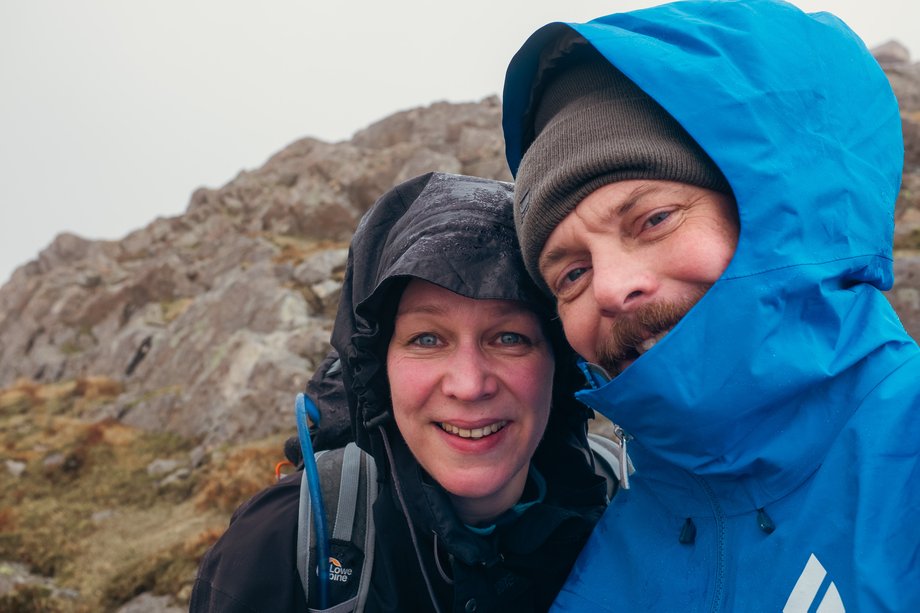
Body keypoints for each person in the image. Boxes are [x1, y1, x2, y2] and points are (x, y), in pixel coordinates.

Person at [500, 0, 920, 611]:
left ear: (777, 211)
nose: (611, 289)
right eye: (571, 274)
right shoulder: (613, 552)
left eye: (654, 219)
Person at [190, 172, 609, 612]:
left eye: (509, 338)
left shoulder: (625, 507)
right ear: (376, 367)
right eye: (426, 339)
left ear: (560, 365)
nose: (468, 385)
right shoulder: (277, 546)